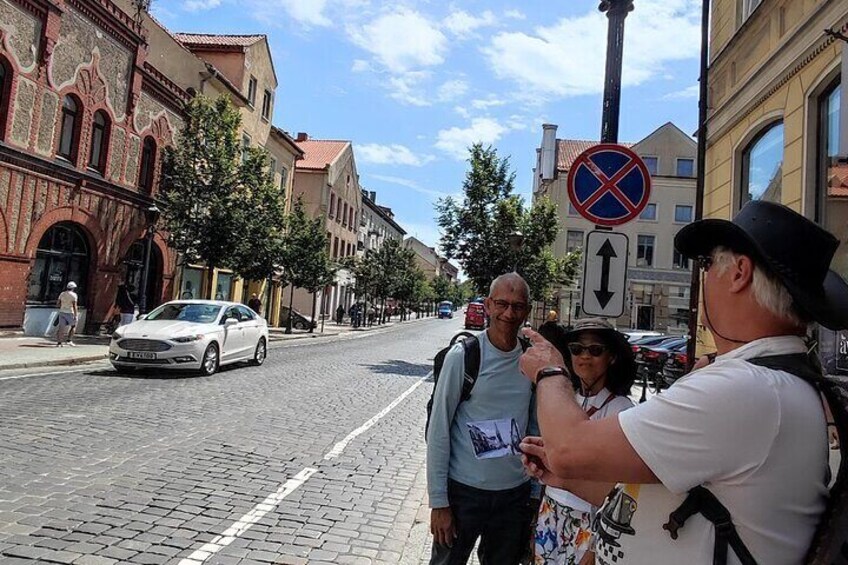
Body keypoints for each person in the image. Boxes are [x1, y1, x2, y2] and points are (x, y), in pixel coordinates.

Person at [519, 201, 848, 565]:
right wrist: (565, 477)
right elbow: (672, 501)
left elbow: (568, 449)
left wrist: (551, 371)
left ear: (739, 273)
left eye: (707, 264)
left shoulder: (744, 388)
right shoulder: (771, 383)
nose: (703, 275)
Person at [427, 272, 536, 565]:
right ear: (487, 305)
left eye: (517, 306)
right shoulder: (463, 356)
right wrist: (439, 502)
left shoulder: (532, 361)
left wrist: (535, 494)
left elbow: (536, 428)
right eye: (501, 304)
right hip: (463, 494)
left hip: (514, 497)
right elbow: (439, 430)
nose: (509, 313)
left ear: (527, 310)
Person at [531, 318, 635, 565]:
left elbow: (621, 489)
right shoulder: (564, 401)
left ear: (611, 357)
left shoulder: (621, 411)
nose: (584, 356)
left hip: (591, 521)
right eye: (577, 349)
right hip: (551, 512)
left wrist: (596, 547)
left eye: (595, 350)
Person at [56, 281, 79, 347]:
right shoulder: (74, 295)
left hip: (62, 312)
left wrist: (62, 307)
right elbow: (75, 305)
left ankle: (59, 343)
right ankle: (69, 340)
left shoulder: (62, 294)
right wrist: (76, 314)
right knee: (73, 326)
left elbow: (58, 303)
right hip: (70, 312)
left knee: (61, 328)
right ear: (73, 288)